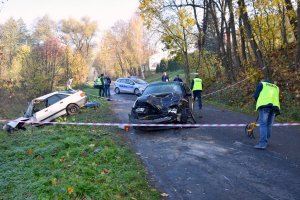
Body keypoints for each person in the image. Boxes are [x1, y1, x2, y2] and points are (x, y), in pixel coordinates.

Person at [253, 80, 280, 149]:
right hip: (274, 107)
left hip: (264, 106)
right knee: (269, 125)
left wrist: (258, 102)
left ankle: (262, 144)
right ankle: (265, 141)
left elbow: (256, 95)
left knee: (263, 125)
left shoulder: (261, 84)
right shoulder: (276, 87)